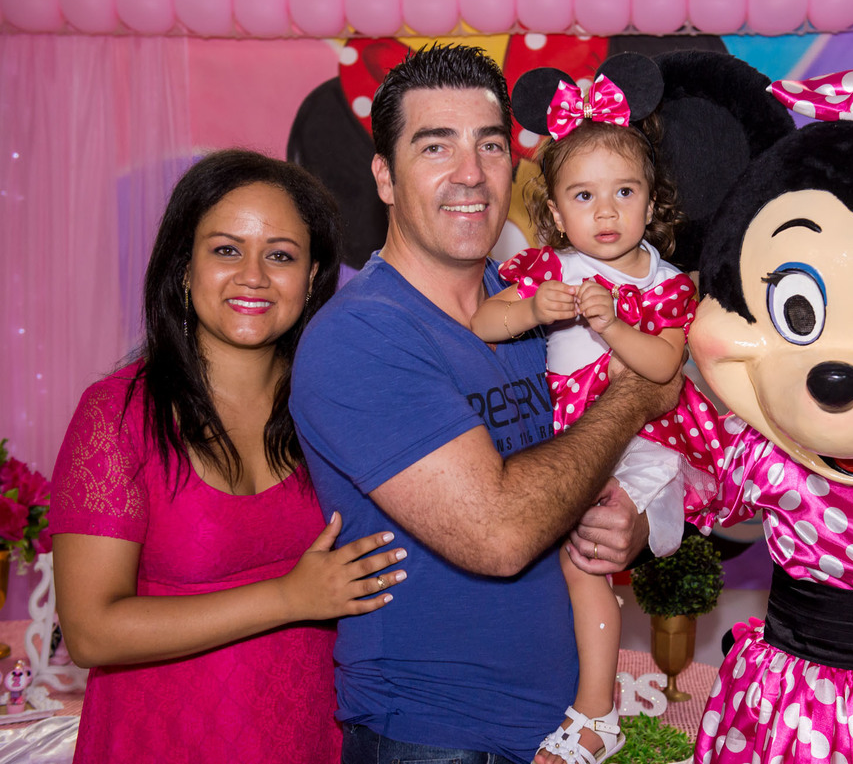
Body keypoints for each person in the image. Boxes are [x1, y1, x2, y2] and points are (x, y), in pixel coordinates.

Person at [289, 44, 683, 764]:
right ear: (384, 176)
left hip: (562, 725)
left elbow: (589, 464)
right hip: (436, 735)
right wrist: (633, 398)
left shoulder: (539, 299)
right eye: (435, 146)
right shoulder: (362, 334)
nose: (470, 172)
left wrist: (625, 521)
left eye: (491, 145)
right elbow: (499, 536)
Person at [49, 150, 406, 764]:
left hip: (317, 740)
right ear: (184, 267)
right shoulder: (117, 414)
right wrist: (288, 598)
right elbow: (89, 632)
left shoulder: (334, 407)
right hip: (160, 744)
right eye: (225, 250)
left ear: (312, 276)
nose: (253, 276)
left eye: (280, 255)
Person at [470, 55, 706, 764]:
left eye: (623, 191)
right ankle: (587, 704)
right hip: (570, 441)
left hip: (644, 441)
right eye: (583, 195)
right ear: (553, 211)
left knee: (582, 565)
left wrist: (612, 326)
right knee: (571, 568)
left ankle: (596, 715)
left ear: (652, 202)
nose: (605, 212)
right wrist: (530, 310)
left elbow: (663, 368)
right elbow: (483, 322)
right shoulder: (552, 269)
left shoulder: (666, 283)